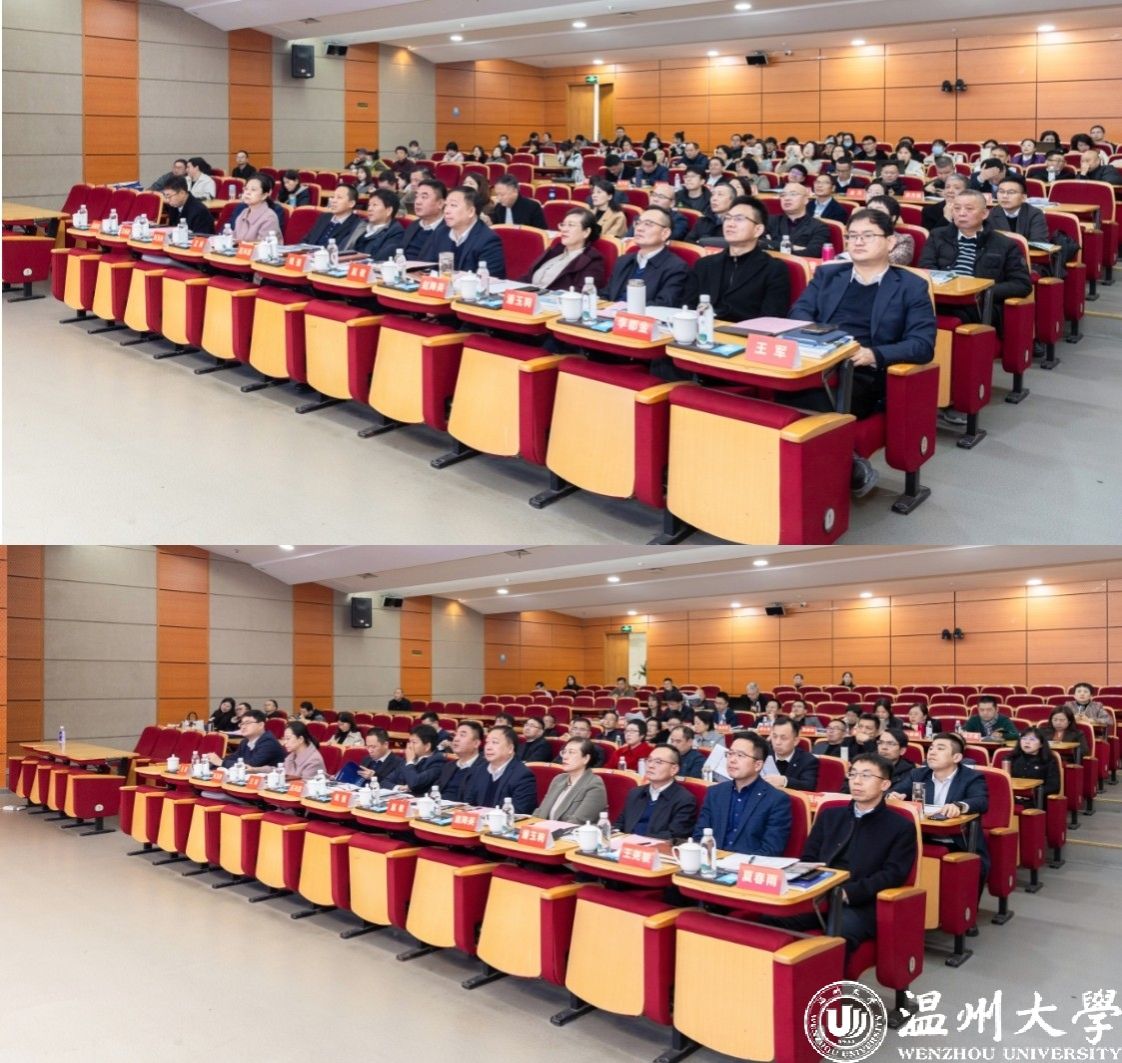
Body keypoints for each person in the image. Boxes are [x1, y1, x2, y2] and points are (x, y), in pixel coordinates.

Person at [787, 207, 936, 493]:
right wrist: (817, 339)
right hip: (816, 360)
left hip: (863, 372)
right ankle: (850, 461)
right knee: (775, 390)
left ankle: (831, 476)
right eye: (852, 236)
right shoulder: (828, 274)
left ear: (890, 242)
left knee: (810, 398)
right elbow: (798, 312)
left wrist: (873, 355)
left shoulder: (911, 286)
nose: (857, 241)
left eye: (867, 235)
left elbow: (922, 345)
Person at [770, 752, 917, 954]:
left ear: (885, 784)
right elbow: (809, 857)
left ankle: (832, 976)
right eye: (853, 774)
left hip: (860, 902)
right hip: (818, 895)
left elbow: (892, 875)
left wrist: (849, 893)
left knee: (839, 932)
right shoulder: (830, 815)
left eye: (866, 776)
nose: (857, 781)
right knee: (770, 917)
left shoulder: (900, 826)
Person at [889, 733, 989, 880]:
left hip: (957, 842)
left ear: (956, 757)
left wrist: (959, 806)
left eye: (940, 748)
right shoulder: (918, 774)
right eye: (931, 748)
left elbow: (981, 801)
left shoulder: (971, 777)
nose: (932, 752)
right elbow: (893, 791)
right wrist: (894, 796)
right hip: (921, 838)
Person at [692, 732, 791, 854]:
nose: (732, 760)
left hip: (750, 863)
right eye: (730, 753)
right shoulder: (715, 793)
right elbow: (700, 835)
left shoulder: (776, 800)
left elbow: (770, 850)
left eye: (740, 755)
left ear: (757, 765)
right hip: (712, 860)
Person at [604, 206, 688, 305]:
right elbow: (606, 295)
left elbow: (663, 305)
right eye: (638, 223)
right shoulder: (623, 260)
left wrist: (622, 309)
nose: (639, 228)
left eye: (648, 224)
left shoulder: (676, 267)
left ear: (665, 233)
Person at [614, 745, 697, 841]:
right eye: (649, 760)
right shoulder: (635, 793)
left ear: (674, 769)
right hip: (625, 846)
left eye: (658, 762)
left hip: (656, 848)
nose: (651, 765)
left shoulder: (684, 799)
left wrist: (638, 841)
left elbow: (675, 835)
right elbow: (619, 824)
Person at [520, 207, 605, 292]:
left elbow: (582, 292)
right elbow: (527, 277)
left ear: (586, 232)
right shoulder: (555, 250)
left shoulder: (592, 260)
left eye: (571, 225)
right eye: (563, 225)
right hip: (529, 296)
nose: (564, 229)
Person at [433, 185, 506, 276]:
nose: (446, 211)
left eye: (453, 205)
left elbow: (490, 279)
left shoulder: (488, 239)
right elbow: (427, 266)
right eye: (446, 205)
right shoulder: (441, 233)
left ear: (471, 212)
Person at [464, 726, 538, 813]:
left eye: (495, 742)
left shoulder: (522, 775)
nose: (488, 747)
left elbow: (520, 812)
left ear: (510, 749)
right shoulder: (479, 770)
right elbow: (469, 804)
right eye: (487, 742)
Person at [534, 738, 609, 823]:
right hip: (545, 829)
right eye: (564, 752)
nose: (565, 757)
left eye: (571, 752)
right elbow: (540, 812)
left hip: (572, 831)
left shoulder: (594, 784)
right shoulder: (558, 779)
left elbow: (577, 822)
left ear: (586, 758)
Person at [207, 708, 284, 770]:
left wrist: (221, 762)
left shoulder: (268, 742)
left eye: (247, 723)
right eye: (242, 723)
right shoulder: (245, 741)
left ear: (261, 725)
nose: (243, 727)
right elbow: (234, 757)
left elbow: (251, 765)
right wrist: (213, 761)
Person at [767, 183, 830, 258]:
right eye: (783, 195)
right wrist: (794, 247)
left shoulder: (819, 227)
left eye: (793, 194)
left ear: (805, 200)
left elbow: (813, 253)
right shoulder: (770, 220)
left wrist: (772, 244)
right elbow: (760, 243)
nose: (787, 198)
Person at [763, 715, 820, 790]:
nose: (777, 742)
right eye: (774, 736)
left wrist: (785, 781)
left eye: (783, 738)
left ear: (795, 741)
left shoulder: (808, 760)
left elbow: (809, 786)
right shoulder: (763, 754)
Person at [435, 721, 488, 802]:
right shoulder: (448, 766)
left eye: (462, 735)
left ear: (476, 743)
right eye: (455, 735)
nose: (456, 739)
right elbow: (434, 792)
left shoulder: (485, 768)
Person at [986, 174, 1049, 242]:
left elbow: (1038, 242)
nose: (1005, 196)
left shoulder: (1034, 214)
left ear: (1023, 197)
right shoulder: (991, 214)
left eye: (1011, 192)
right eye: (1001, 192)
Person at [1007, 727, 1060, 803]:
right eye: (1024, 739)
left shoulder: (1049, 760)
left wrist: (1031, 793)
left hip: (1036, 801)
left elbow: (1053, 786)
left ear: (1041, 744)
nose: (1027, 742)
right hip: (1012, 798)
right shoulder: (1011, 758)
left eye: (1032, 739)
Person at [401, 178, 448, 260]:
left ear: (440, 203)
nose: (417, 202)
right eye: (416, 197)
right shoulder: (413, 225)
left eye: (424, 197)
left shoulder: (449, 230)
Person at [395, 724, 448, 795]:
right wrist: (398, 787)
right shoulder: (408, 758)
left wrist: (410, 762)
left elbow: (414, 783)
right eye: (409, 742)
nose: (410, 746)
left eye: (414, 742)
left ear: (427, 746)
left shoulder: (437, 761)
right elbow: (386, 781)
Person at [305, 185, 363, 249]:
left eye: (339, 197)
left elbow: (345, 249)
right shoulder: (324, 217)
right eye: (333, 197)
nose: (333, 201)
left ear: (351, 204)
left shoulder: (356, 225)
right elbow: (307, 240)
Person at [230, 174, 282, 244]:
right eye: (246, 189)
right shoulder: (244, 212)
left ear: (264, 195)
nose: (247, 192)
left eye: (253, 190)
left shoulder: (269, 217)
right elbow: (234, 238)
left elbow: (263, 245)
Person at [863, 195, 914, 266]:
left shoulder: (904, 240)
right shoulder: (857, 235)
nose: (872, 214)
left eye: (878, 210)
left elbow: (890, 262)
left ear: (892, 218)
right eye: (869, 210)